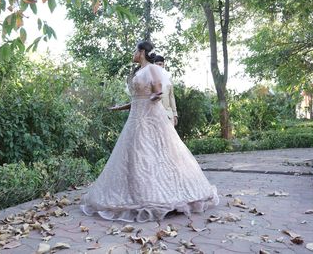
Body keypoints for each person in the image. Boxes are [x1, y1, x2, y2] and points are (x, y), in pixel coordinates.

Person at [80, 41, 219, 222]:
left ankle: (162, 196)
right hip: (136, 119)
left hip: (150, 119)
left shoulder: (152, 69)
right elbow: (137, 99)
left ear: (142, 52)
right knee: (135, 156)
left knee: (156, 154)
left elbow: (158, 92)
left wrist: (153, 97)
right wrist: (119, 108)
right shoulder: (139, 72)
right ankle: (137, 195)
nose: (133, 54)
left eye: (135, 51)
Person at [154, 55, 178, 126]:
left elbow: (171, 96)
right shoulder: (150, 78)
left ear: (163, 65)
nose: (158, 66)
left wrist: (175, 114)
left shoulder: (168, 78)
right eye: (156, 64)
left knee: (170, 137)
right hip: (155, 115)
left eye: (160, 64)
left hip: (168, 113)